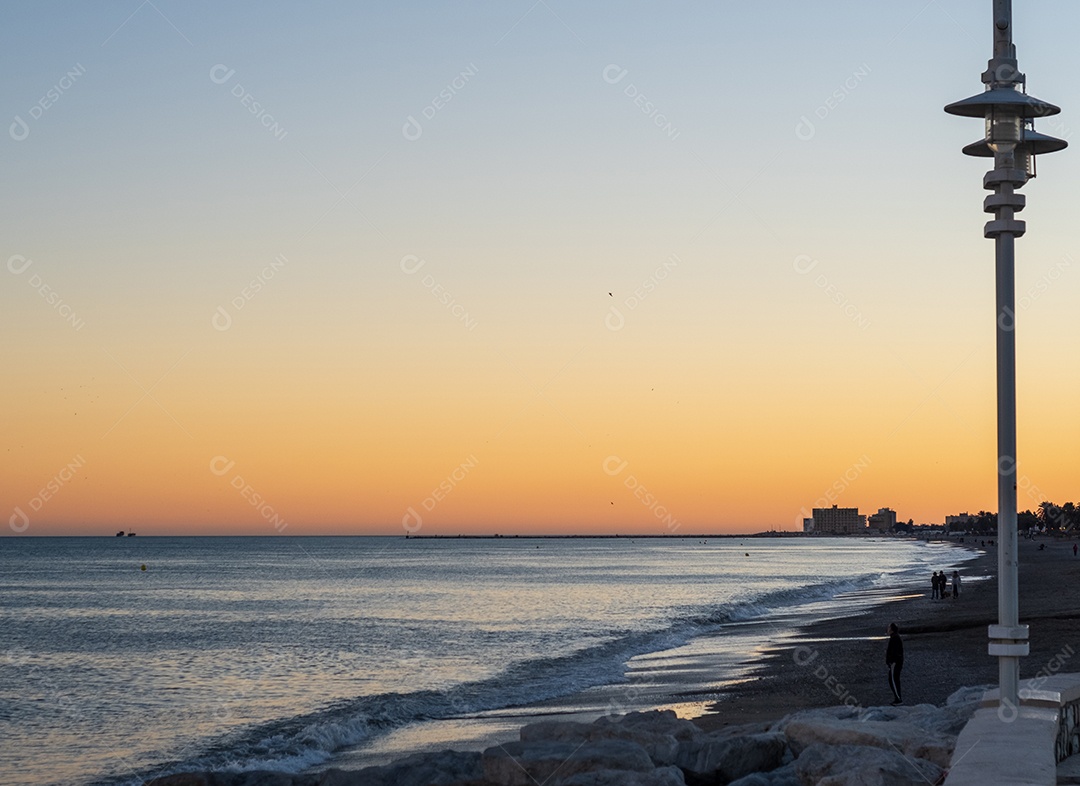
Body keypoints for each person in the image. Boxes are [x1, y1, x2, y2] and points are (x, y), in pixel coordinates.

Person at [886, 622, 904, 705]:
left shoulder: (895, 638)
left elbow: (895, 652)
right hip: (895, 662)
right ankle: (897, 698)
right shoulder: (894, 637)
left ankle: (898, 699)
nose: (888, 629)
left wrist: (892, 661)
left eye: (889, 628)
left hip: (895, 663)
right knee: (893, 679)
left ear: (892, 629)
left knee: (893, 680)